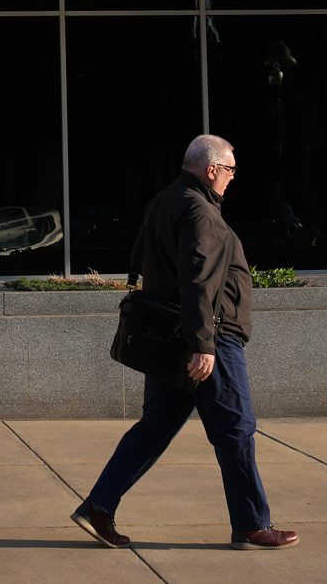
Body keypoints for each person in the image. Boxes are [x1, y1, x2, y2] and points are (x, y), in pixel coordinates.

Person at [70, 134, 298, 552]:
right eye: (229, 170)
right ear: (211, 169)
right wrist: (203, 345)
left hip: (171, 338)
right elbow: (198, 281)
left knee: (154, 428)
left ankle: (98, 507)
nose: (231, 178)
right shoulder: (201, 211)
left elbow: (139, 257)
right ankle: (251, 525)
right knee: (236, 429)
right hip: (208, 338)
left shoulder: (165, 200)